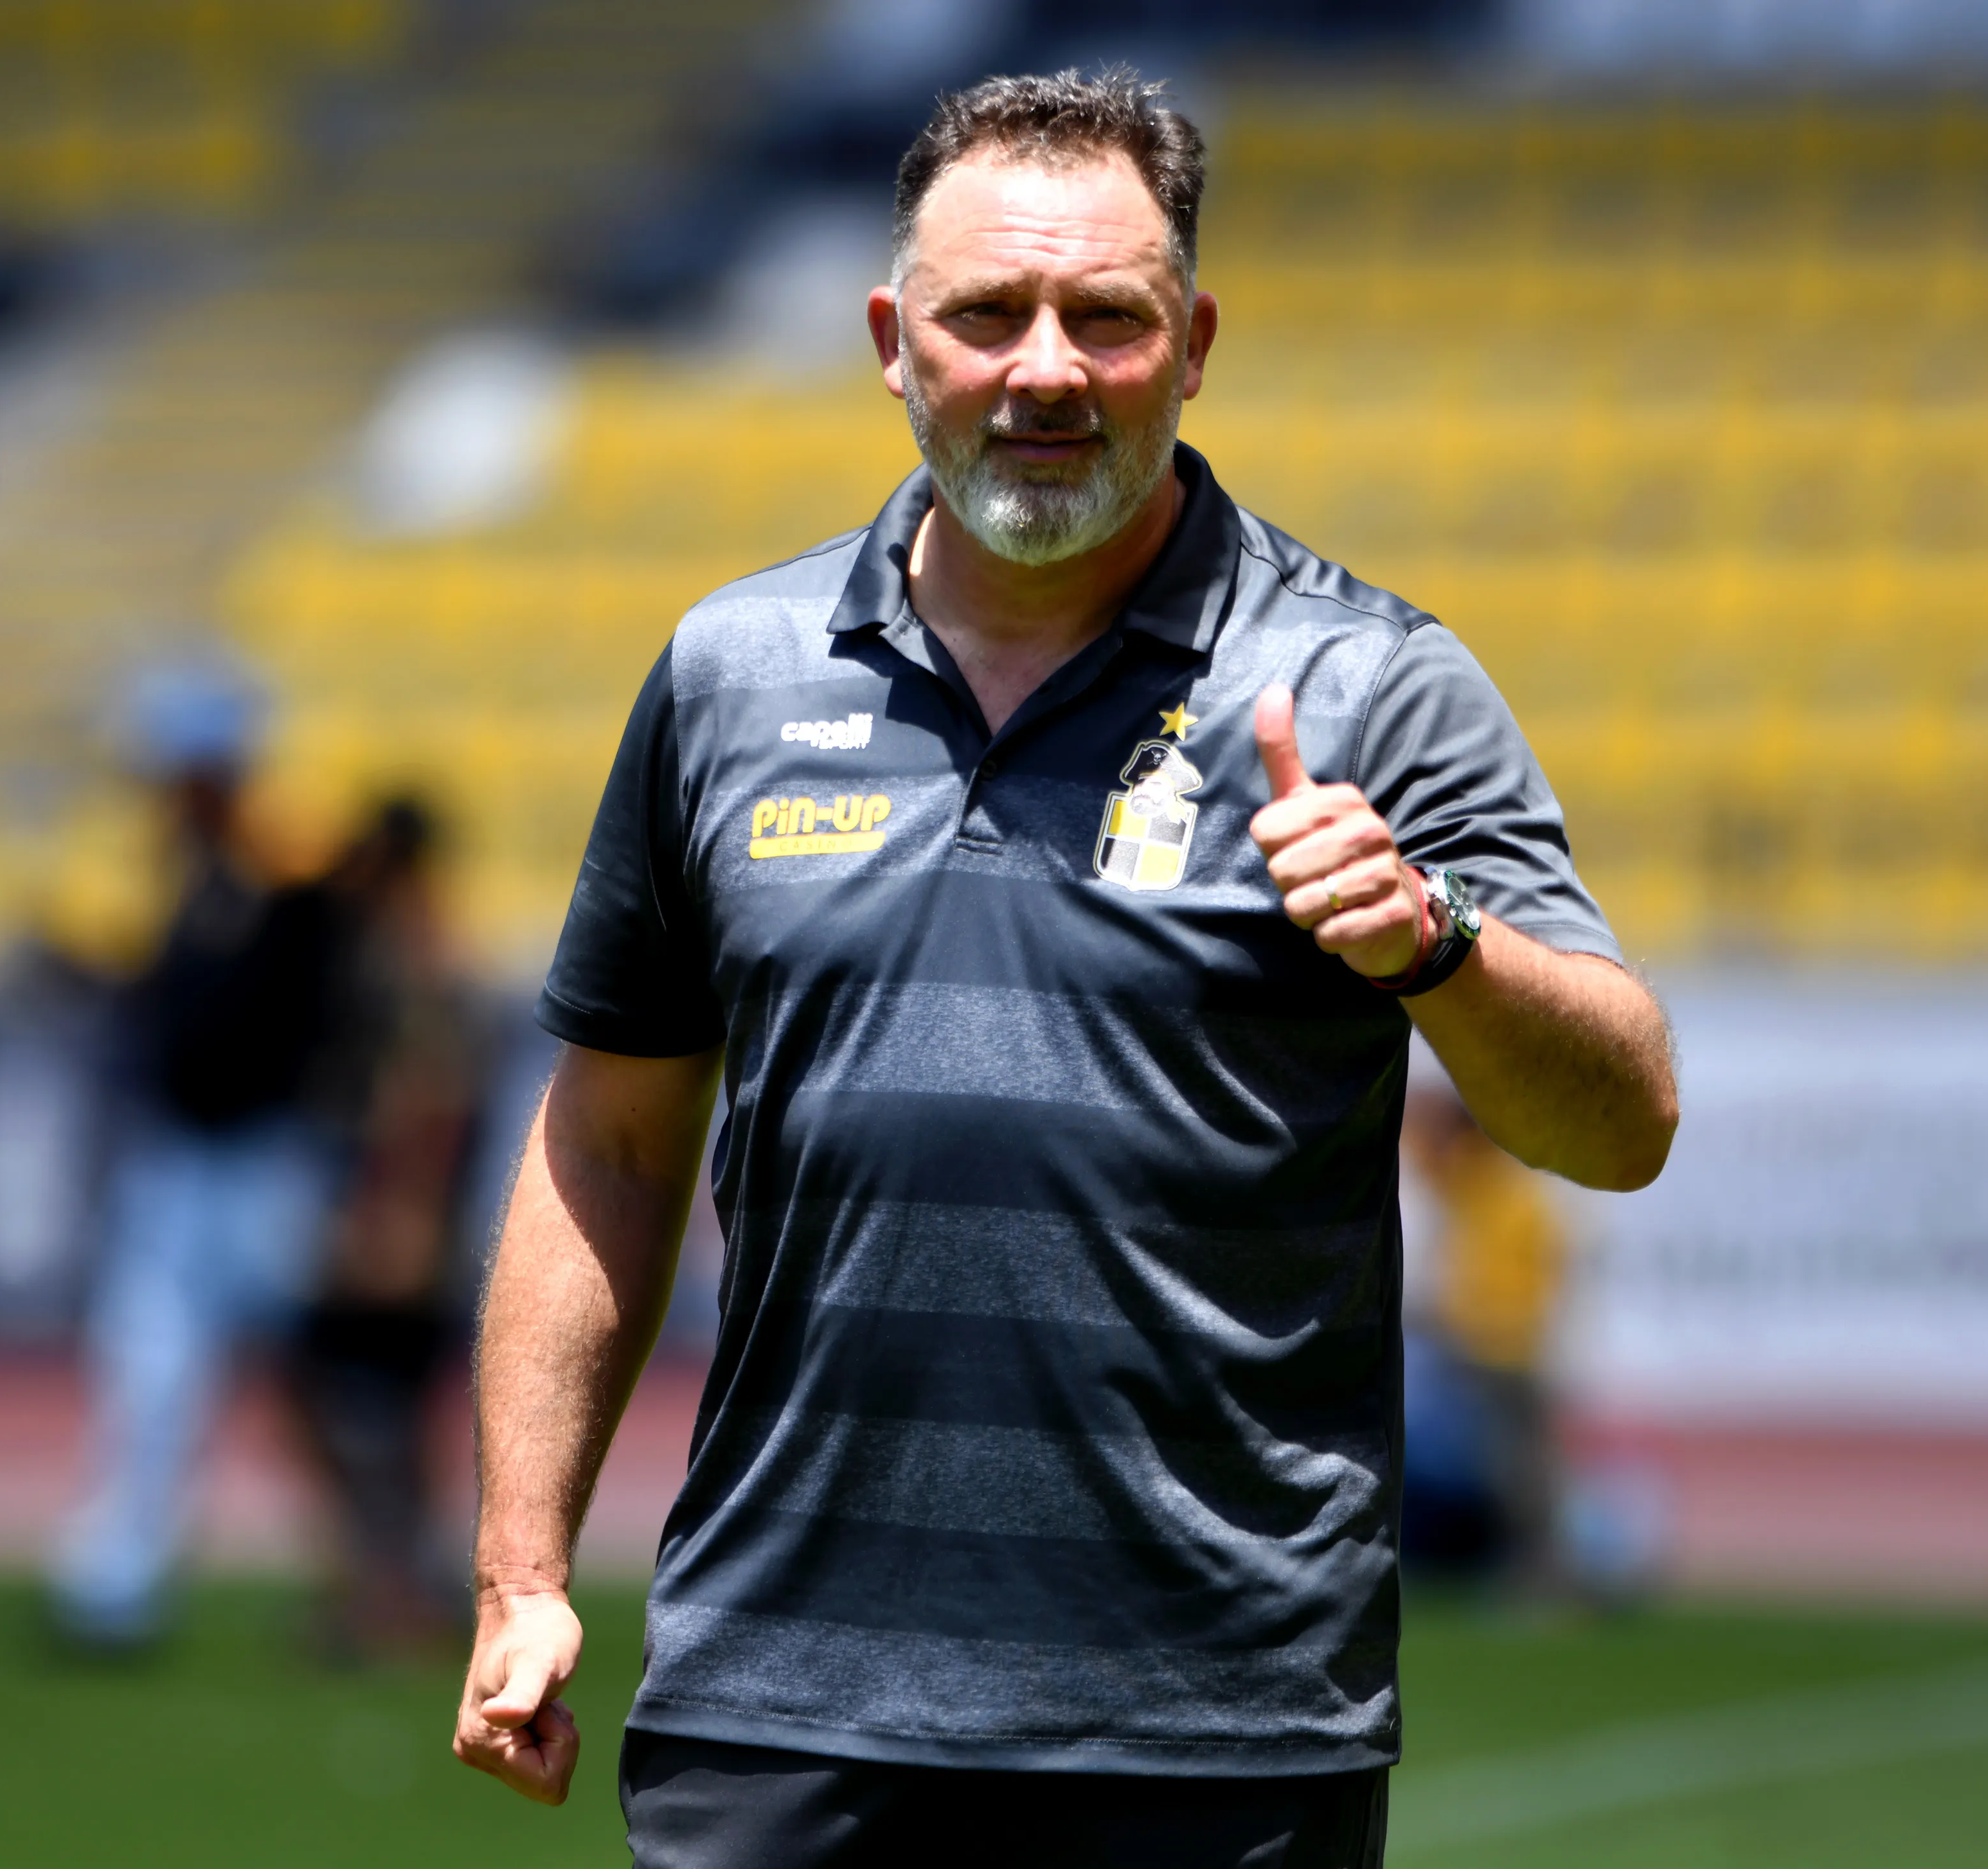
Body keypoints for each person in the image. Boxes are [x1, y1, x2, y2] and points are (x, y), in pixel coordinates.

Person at [449, 69, 1677, 1865]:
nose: (1043, 369)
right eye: (986, 314)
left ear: (1192, 342)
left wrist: (1441, 948)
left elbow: (1622, 1116)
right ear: (891, 338)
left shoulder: (1372, 686)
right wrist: (521, 1564)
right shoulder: (729, 671)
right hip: (776, 1705)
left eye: (1106, 316)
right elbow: (611, 1147)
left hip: (1213, 1729)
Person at [47, 661, 344, 1650]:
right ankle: (115, 1589)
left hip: (264, 1158)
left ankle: (375, 1579)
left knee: (317, 1381)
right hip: (183, 1159)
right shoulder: (184, 877)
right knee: (149, 1373)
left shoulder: (277, 875)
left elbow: (277, 1016)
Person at [287, 798, 485, 1661]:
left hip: (399, 1215)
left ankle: (393, 1589)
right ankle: (397, 1582)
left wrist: (398, 1213)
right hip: (396, 1207)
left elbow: (432, 1096)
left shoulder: (418, 957)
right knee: (378, 1406)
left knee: (363, 1403)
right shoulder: (407, 950)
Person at [1399, 1062, 1569, 1593]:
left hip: (1503, 1345)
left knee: (1520, 1472)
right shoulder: (1499, 1183)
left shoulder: (1493, 1186)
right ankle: (1532, 1572)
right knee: (1513, 1469)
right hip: (1500, 1345)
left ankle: (1541, 1575)